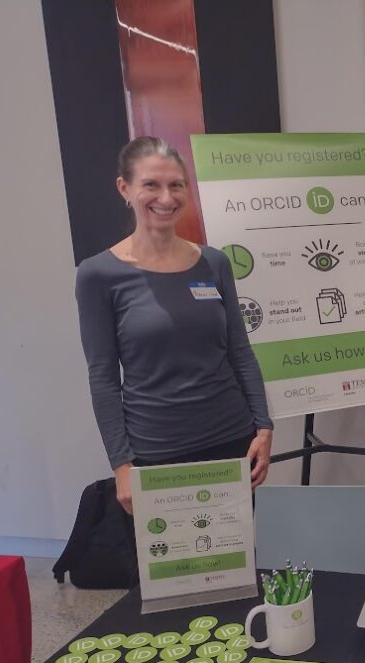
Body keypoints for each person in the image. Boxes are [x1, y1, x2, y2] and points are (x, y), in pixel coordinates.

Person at [76, 136, 274, 514]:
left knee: (235, 564)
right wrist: (121, 465)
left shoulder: (214, 263)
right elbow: (102, 377)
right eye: (151, 184)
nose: (165, 198)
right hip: (155, 452)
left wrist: (263, 427)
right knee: (169, 567)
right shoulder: (98, 274)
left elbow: (240, 352)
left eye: (176, 185)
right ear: (125, 188)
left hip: (232, 440)